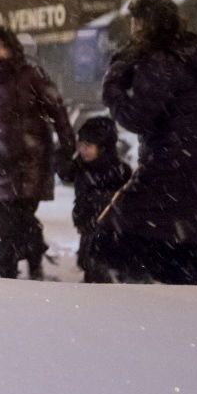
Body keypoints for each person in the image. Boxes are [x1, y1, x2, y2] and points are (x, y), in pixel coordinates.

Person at [94, 0, 197, 284]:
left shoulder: (160, 60)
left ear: (144, 24)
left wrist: (113, 85)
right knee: (192, 250)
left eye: (135, 22)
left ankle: (147, 299)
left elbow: (136, 117)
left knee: (114, 235)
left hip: (171, 167)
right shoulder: (193, 57)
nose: (132, 29)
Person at [0, 25, 75, 280]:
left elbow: (57, 109)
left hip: (33, 161)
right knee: (6, 223)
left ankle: (32, 267)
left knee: (21, 218)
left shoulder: (30, 75)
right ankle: (10, 275)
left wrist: (67, 146)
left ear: (11, 48)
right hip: (2, 162)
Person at [57, 116, 131, 282]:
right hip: (87, 223)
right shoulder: (81, 166)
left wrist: (101, 200)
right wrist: (61, 154)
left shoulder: (118, 170)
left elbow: (125, 199)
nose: (83, 150)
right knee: (87, 262)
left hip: (108, 229)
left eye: (88, 146)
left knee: (99, 263)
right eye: (81, 145)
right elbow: (65, 173)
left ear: (103, 147)